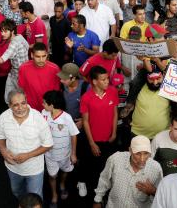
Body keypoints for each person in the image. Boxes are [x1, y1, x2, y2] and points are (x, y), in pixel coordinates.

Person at [0, 91, 53, 200]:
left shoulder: (38, 119)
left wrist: (28, 155)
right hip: (12, 168)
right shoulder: (3, 118)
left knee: (35, 198)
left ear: (27, 102)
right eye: (16, 105)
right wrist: (3, 151)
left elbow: (48, 144)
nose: (20, 108)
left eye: (23, 103)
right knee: (17, 192)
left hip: (34, 170)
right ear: (9, 105)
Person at [79, 66, 119, 197]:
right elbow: (85, 121)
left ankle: (105, 192)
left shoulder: (113, 92)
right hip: (93, 139)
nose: (107, 81)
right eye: (103, 79)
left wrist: (114, 133)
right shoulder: (86, 97)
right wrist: (91, 143)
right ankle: (88, 187)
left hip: (109, 138)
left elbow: (115, 113)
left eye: (107, 78)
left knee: (107, 165)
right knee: (93, 166)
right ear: (94, 82)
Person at [94, 135, 163, 208]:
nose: (142, 159)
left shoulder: (156, 168)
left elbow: (162, 198)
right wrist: (97, 200)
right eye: (138, 153)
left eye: (146, 153)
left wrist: (153, 191)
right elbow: (104, 180)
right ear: (130, 150)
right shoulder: (115, 160)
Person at [41, 90, 79, 206]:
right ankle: (54, 194)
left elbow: (73, 135)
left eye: (44, 103)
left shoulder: (67, 118)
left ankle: (62, 184)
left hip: (65, 155)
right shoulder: (43, 114)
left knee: (64, 171)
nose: (42, 104)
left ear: (51, 105)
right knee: (52, 176)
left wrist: (73, 154)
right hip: (49, 155)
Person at [18, 43, 60, 111]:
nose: (41, 60)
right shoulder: (23, 68)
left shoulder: (55, 69)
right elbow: (21, 89)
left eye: (44, 56)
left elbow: (56, 92)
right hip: (30, 108)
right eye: (38, 56)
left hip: (48, 109)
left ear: (47, 55)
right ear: (32, 55)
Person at [130, 71, 171, 139]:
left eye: (158, 78)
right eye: (151, 79)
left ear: (163, 75)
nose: (155, 82)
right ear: (146, 77)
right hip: (138, 135)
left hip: (163, 136)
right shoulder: (137, 87)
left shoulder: (170, 89)